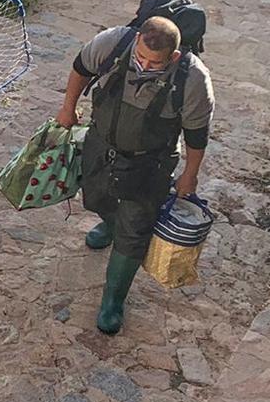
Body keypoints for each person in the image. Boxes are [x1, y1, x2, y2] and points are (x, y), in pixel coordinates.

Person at [54, 17, 214, 335]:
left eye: (154, 62)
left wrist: (189, 176)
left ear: (174, 57)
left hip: (150, 166)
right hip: (101, 147)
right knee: (97, 199)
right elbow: (81, 68)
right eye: (140, 57)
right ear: (137, 39)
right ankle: (111, 223)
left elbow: (197, 134)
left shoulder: (193, 79)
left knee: (134, 229)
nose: (144, 65)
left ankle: (112, 301)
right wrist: (68, 108)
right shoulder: (113, 43)